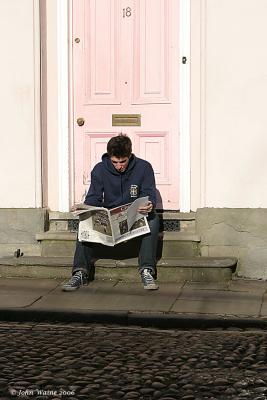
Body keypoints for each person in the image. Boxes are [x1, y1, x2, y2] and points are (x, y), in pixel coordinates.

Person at [62, 134, 159, 291]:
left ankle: (147, 270)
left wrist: (148, 205)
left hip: (133, 218)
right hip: (109, 219)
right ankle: (80, 272)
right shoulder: (100, 169)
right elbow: (93, 197)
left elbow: (149, 193)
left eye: (123, 161)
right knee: (85, 221)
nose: (119, 165)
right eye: (115, 162)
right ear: (109, 157)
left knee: (154, 220)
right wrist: (83, 207)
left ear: (130, 155)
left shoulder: (144, 167)